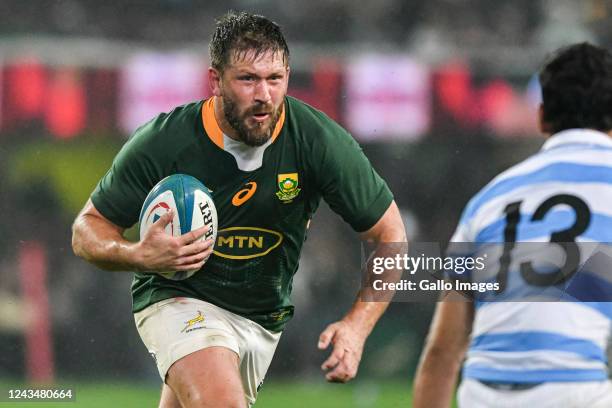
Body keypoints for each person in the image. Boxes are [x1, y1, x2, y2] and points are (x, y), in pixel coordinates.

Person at [71, 11, 405, 408]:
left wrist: (357, 325)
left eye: (274, 79)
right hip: (178, 296)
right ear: (216, 81)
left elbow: (390, 235)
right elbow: (86, 229)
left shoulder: (317, 141)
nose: (263, 94)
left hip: (260, 318)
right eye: (247, 79)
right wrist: (135, 254)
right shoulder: (166, 142)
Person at [413, 42, 612, 408]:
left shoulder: (487, 201)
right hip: (577, 392)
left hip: (482, 395)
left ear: (541, 118)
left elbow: (442, 354)